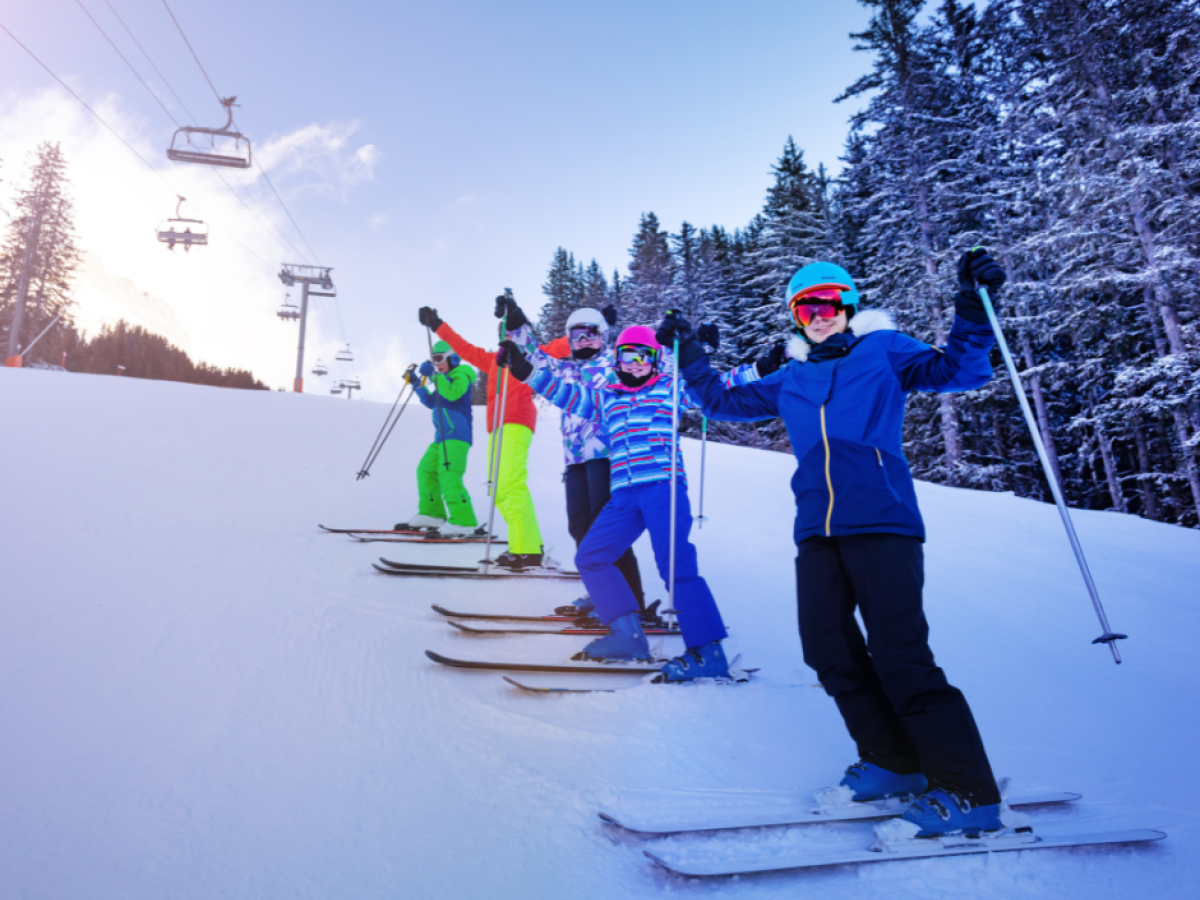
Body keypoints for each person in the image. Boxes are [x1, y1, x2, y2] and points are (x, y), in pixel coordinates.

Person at [678, 250, 1010, 836]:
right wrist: (692, 357)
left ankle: (968, 790)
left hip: (883, 521)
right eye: (805, 307)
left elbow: (960, 370)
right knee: (826, 649)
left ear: (849, 306)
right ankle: (892, 760)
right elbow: (721, 403)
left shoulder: (883, 351)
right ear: (795, 316)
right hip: (817, 529)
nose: (818, 315)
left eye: (828, 303)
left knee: (901, 654)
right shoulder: (793, 375)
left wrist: (970, 305)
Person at [497, 319, 736, 682]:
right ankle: (628, 635)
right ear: (617, 360)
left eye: (644, 356)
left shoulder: (671, 389)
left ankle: (708, 652)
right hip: (624, 494)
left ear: (655, 360)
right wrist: (524, 369)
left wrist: (764, 367)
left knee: (674, 564)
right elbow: (563, 392)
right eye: (627, 355)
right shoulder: (606, 396)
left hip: (663, 486)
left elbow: (722, 385)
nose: (635, 362)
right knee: (591, 556)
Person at [499, 297, 649, 618]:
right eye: (577, 335)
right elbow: (535, 359)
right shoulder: (565, 368)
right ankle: (602, 592)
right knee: (579, 526)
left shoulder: (614, 362)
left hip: (608, 456)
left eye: (591, 333)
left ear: (604, 336)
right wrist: (516, 325)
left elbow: (648, 365)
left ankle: (632, 603)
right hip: (575, 461)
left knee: (605, 528)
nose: (584, 341)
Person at [418, 303, 568, 569]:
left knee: (511, 483)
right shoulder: (492, 361)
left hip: (516, 422)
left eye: (510, 332)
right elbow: (461, 347)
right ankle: (525, 543)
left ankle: (528, 551)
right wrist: (436, 324)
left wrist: (594, 329)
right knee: (499, 490)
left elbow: (563, 346)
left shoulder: (531, 355)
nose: (506, 337)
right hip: (497, 429)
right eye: (503, 333)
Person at [395, 341, 480, 536]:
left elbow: (452, 393)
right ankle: (432, 513)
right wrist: (416, 383)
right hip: (441, 437)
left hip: (457, 435)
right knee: (425, 470)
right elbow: (431, 401)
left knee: (449, 474)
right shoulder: (444, 379)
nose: (437, 364)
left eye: (440, 359)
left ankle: (464, 521)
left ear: (453, 358)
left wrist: (434, 376)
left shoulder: (461, 375)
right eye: (434, 361)